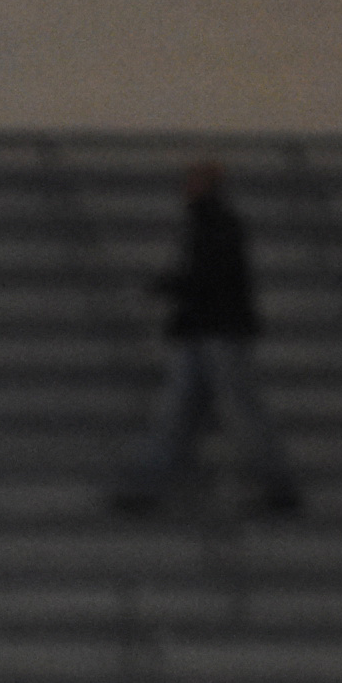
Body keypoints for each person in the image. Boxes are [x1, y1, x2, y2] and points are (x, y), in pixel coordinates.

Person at [112, 163, 300, 517]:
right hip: (211, 331)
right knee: (185, 412)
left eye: (192, 182)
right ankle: (146, 487)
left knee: (218, 411)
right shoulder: (217, 223)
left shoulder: (213, 224)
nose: (186, 187)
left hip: (214, 332)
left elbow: (206, 277)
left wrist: (169, 286)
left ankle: (278, 487)